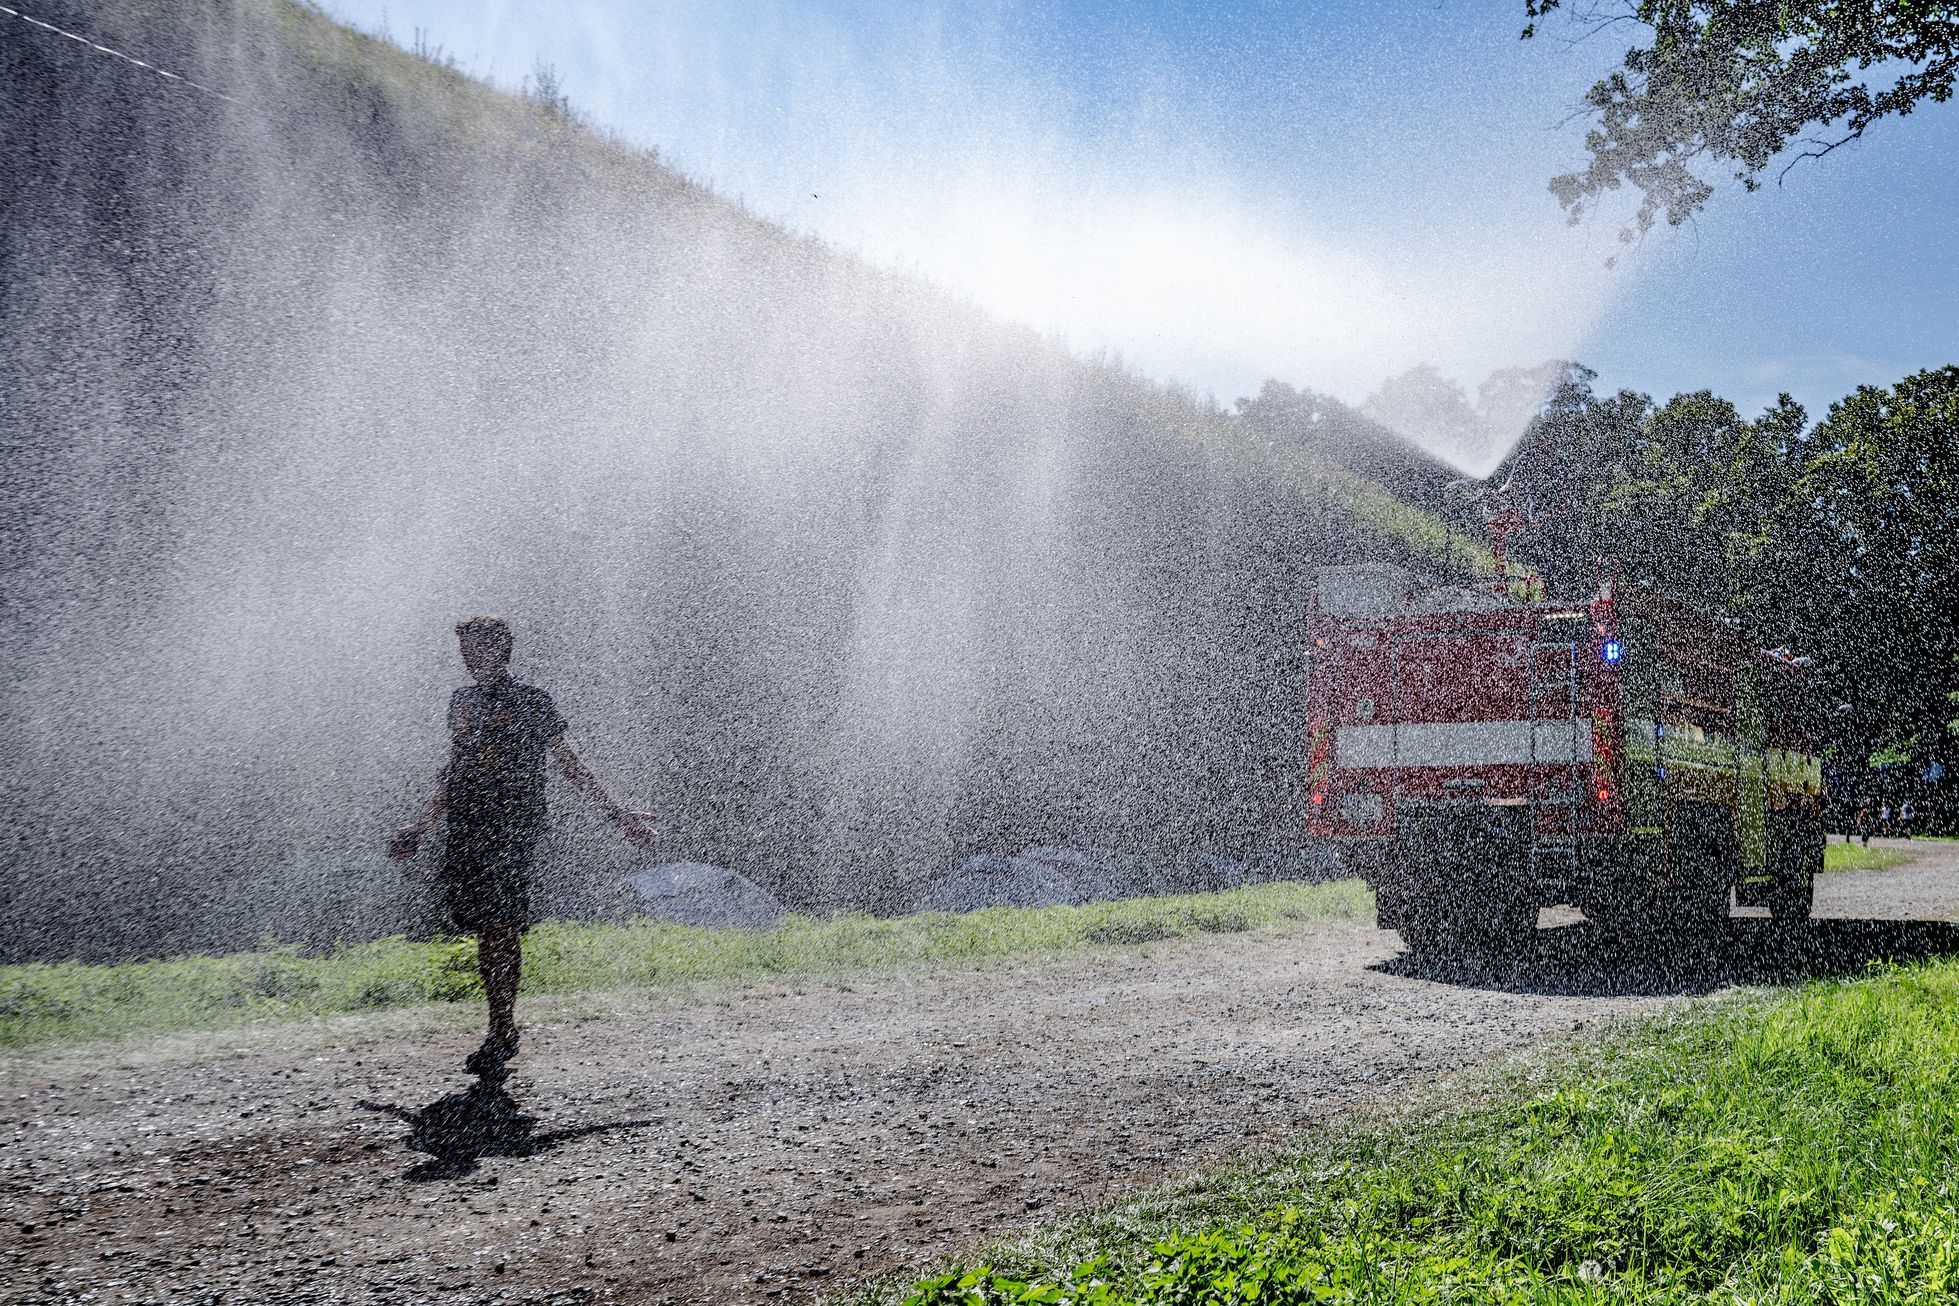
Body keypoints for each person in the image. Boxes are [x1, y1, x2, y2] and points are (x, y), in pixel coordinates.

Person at [390, 615, 656, 1073]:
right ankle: (501, 1024)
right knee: (485, 928)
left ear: (502, 649)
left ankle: (500, 1029)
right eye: (464, 650)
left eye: (478, 647)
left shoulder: (531, 701)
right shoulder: (462, 701)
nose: (470, 657)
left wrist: (617, 814)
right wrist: (420, 826)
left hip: (512, 825)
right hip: (467, 826)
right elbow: (455, 770)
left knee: (500, 923)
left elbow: (570, 763)